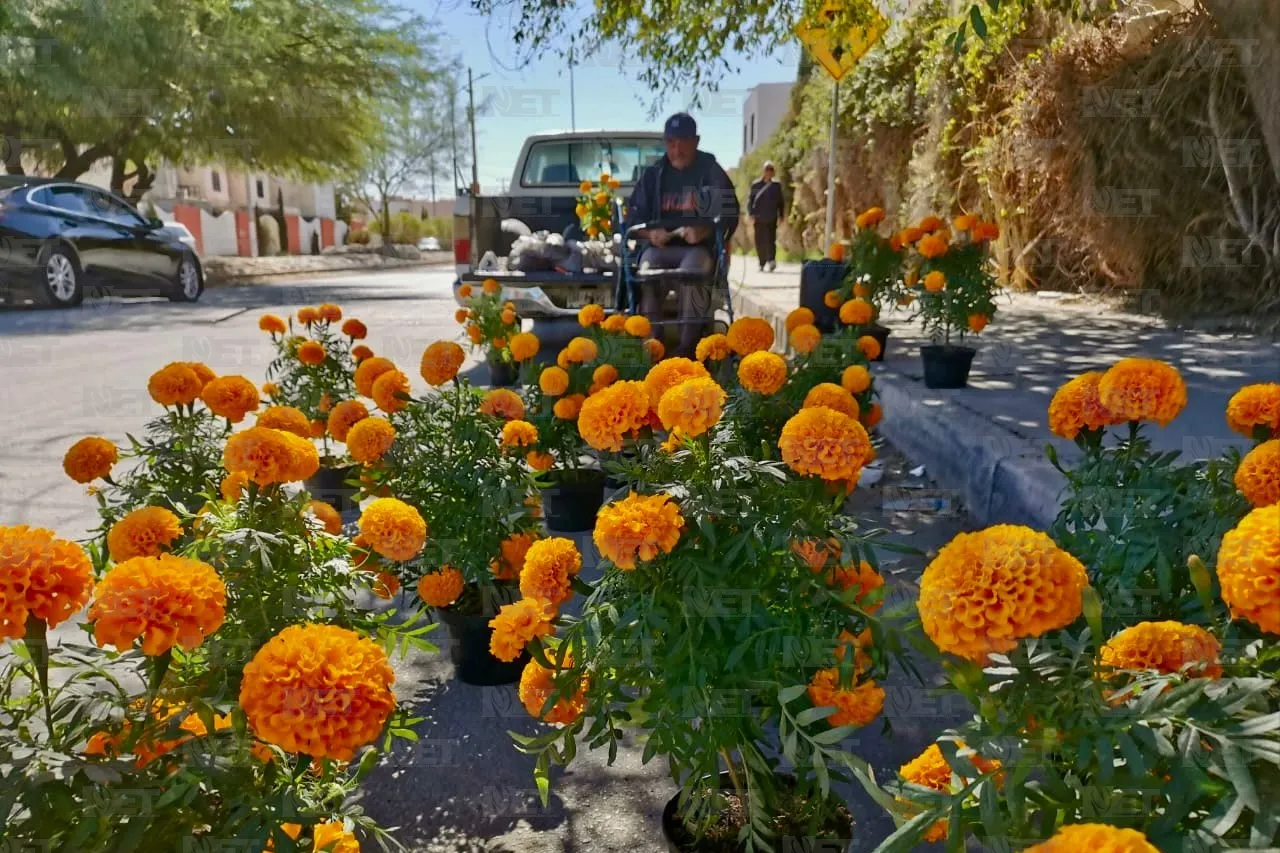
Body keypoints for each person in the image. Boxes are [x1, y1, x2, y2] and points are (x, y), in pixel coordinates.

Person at [624, 112, 739, 357]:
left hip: (697, 250)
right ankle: (655, 346)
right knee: (647, 268)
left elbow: (730, 213)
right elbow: (632, 221)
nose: (677, 149)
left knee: (694, 269)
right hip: (659, 249)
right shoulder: (653, 175)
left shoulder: (710, 170)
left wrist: (705, 229)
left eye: (683, 142)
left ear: (696, 141)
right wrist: (650, 233)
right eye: (671, 143)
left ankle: (688, 348)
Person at [748, 161, 783, 272]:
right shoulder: (756, 185)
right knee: (760, 241)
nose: (768, 172)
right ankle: (761, 262)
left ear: (773, 172)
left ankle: (771, 260)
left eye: (770, 170)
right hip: (758, 217)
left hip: (772, 217)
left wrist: (781, 215)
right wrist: (751, 214)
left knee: (771, 240)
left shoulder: (776, 186)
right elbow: (750, 201)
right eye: (767, 170)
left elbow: (780, 202)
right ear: (763, 171)